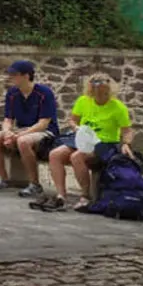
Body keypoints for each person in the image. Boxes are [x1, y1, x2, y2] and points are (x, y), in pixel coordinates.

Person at [42, 74, 136, 211]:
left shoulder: (118, 107)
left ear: (109, 90)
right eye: (95, 89)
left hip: (104, 143)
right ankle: (61, 195)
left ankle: (85, 196)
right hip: (82, 138)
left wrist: (126, 144)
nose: (98, 93)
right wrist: (75, 127)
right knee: (55, 154)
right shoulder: (83, 100)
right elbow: (73, 120)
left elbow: (127, 131)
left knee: (77, 157)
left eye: (102, 91)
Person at [0, 60, 60, 197]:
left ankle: (35, 184)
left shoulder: (44, 93)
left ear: (26, 76)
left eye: (15, 74)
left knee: (23, 141)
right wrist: (7, 132)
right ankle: (5, 179)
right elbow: (8, 119)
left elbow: (43, 123)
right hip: (22, 129)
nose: (11, 77)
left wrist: (17, 136)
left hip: (44, 131)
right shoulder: (12, 93)